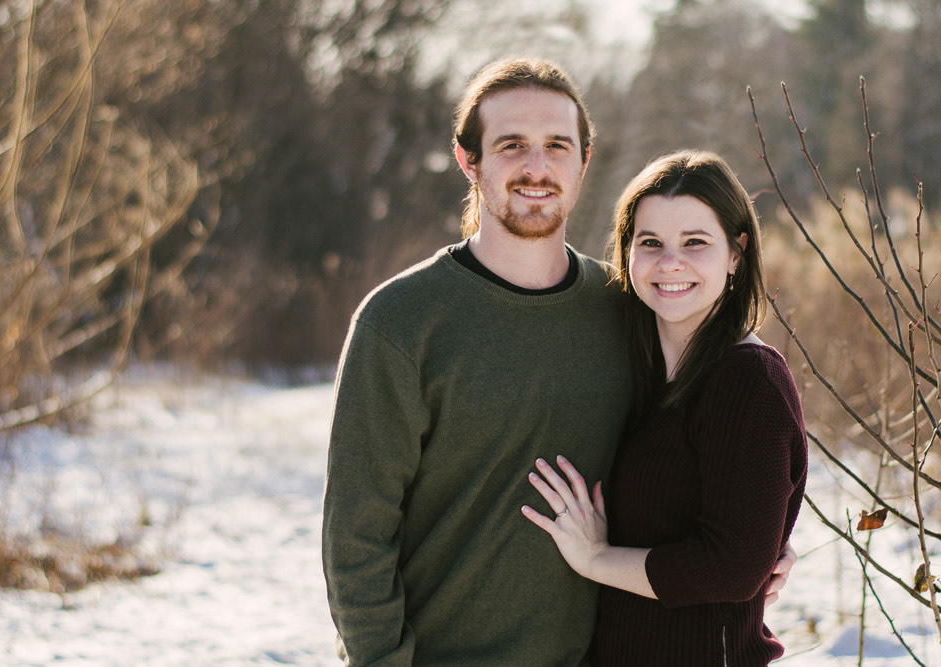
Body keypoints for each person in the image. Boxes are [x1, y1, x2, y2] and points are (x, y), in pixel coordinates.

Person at [322, 57, 795, 666]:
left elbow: (708, 453)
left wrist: (759, 548)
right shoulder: (400, 322)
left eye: (556, 146)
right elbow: (355, 538)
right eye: (511, 145)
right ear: (470, 161)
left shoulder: (626, 309)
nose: (536, 168)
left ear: (584, 160)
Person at [523, 150, 808, 666]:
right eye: (650, 242)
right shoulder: (633, 370)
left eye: (695, 243)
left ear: (737, 253)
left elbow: (733, 567)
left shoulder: (749, 382)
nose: (669, 263)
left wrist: (596, 559)